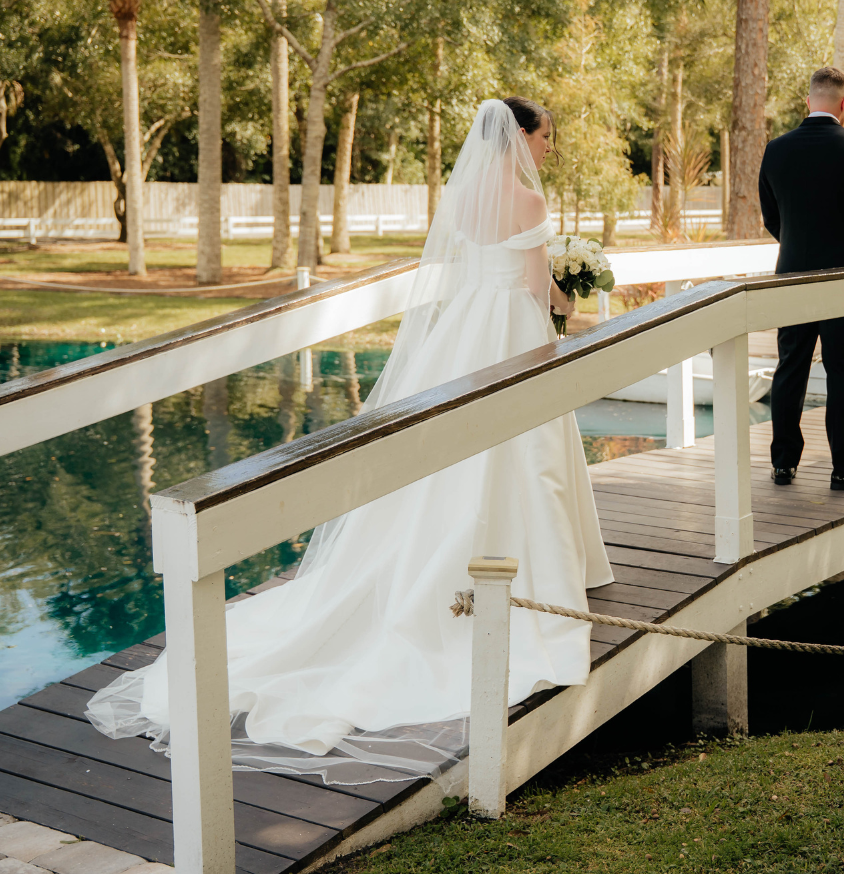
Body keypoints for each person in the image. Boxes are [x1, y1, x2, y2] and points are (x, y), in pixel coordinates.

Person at [85, 98, 614, 785]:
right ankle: (531, 573)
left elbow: (470, 267)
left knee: (453, 463)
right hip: (513, 329)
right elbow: (540, 284)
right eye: (546, 137)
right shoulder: (528, 202)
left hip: (463, 336)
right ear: (520, 137)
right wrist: (571, 304)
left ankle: (442, 564)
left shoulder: (462, 203)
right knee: (524, 450)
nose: (549, 150)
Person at [759, 67, 844, 491]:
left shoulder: (776, 149)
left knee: (790, 368)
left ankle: (783, 464)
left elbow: (771, 216)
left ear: (808, 100)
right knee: (842, 372)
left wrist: (797, 247)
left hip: (791, 274)